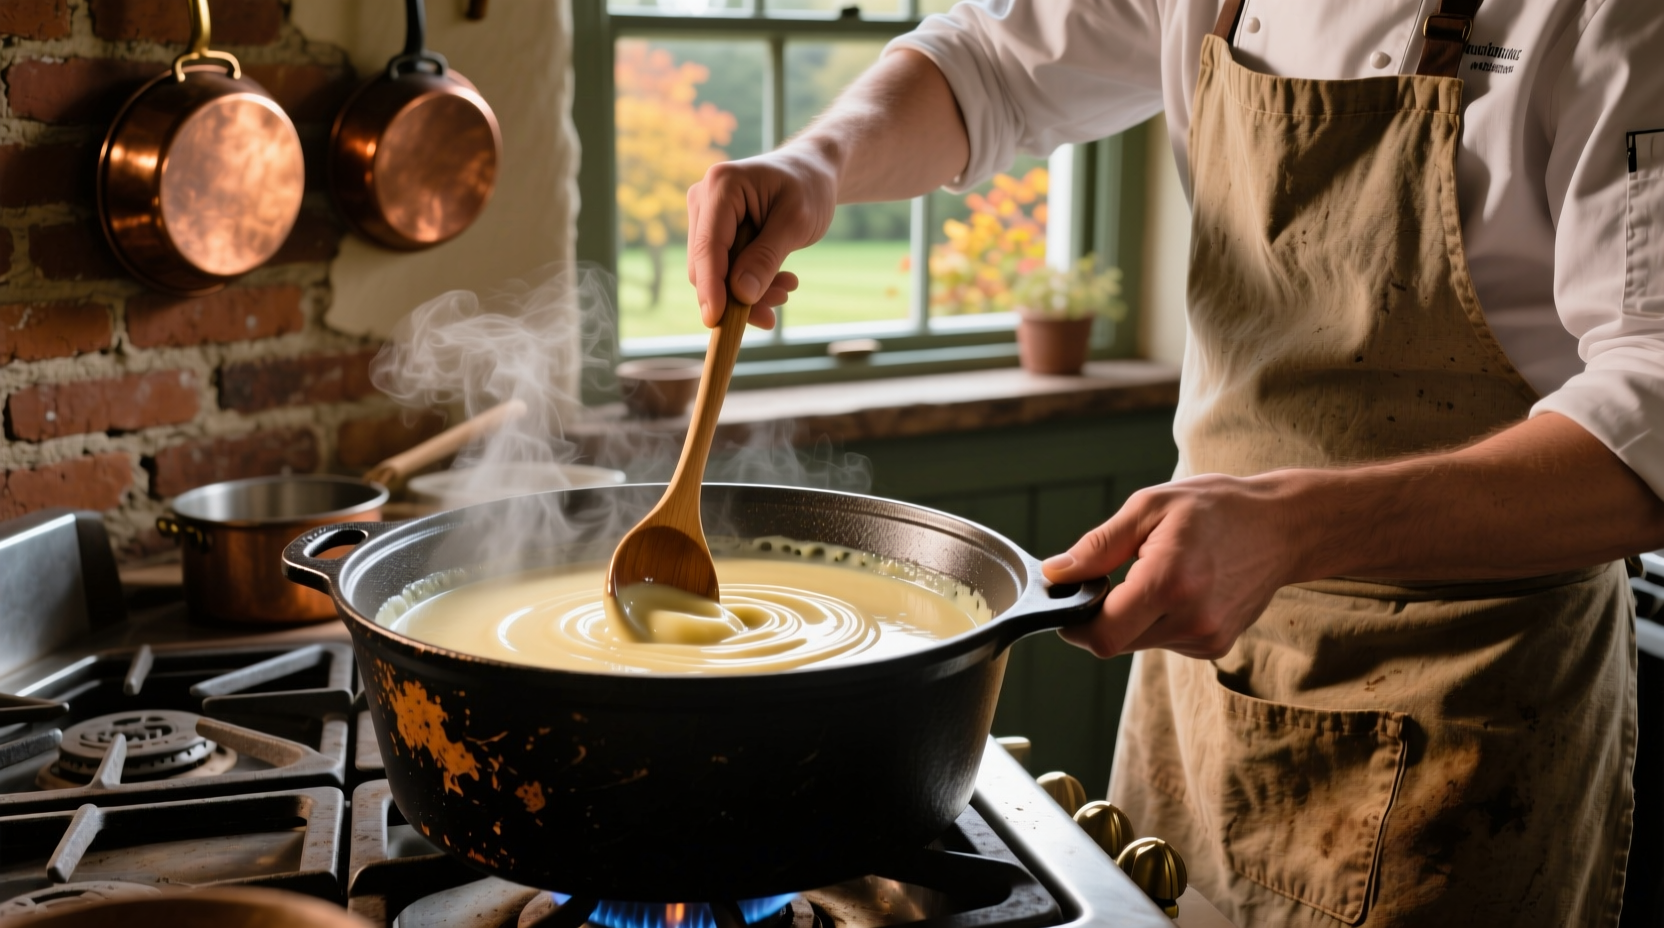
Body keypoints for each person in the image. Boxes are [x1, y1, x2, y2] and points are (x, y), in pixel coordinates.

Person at [684, 0, 1664, 924]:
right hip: (1202, 665)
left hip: (1465, 711)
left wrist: (1292, 528)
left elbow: (1651, 402)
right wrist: (817, 159)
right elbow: (991, 63)